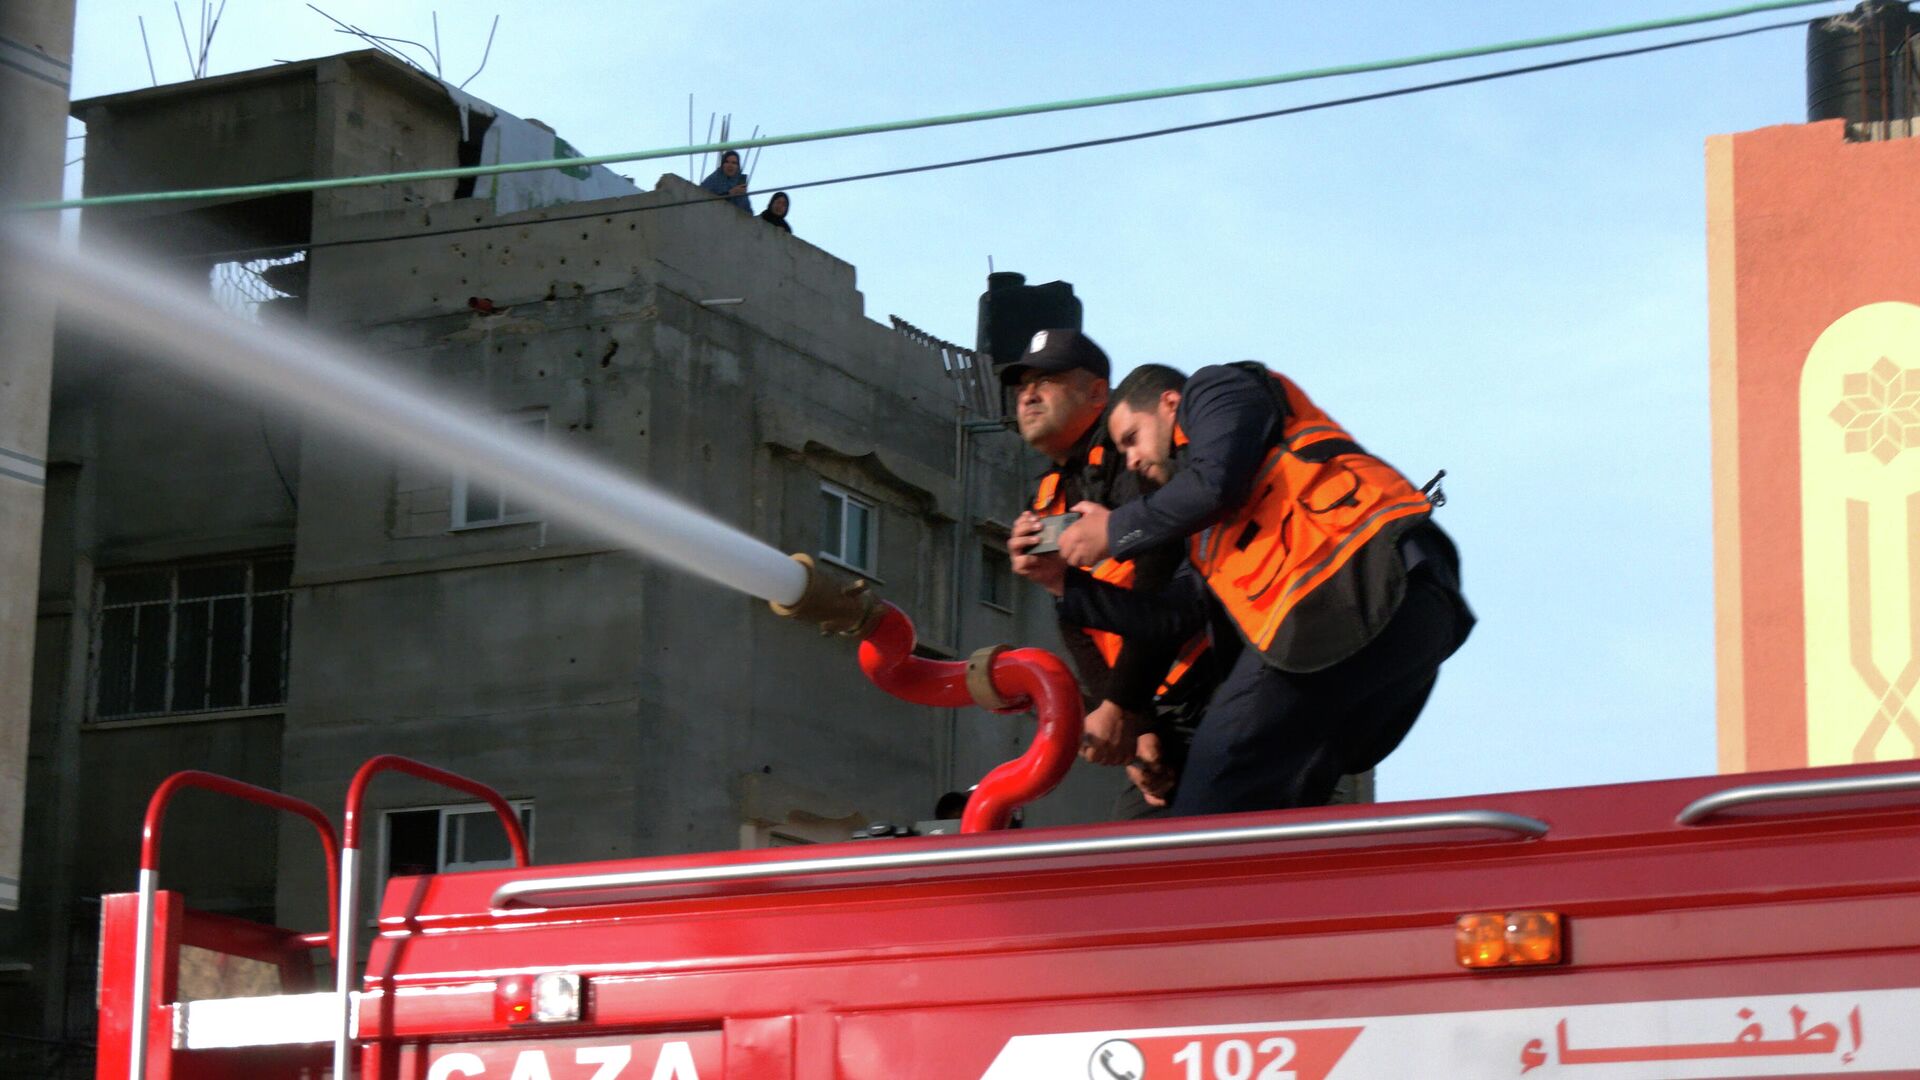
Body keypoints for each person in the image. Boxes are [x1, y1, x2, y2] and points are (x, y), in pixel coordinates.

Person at [1033, 361, 1473, 815]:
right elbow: (1171, 618)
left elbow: (1216, 482)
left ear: (1169, 405)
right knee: (1276, 810)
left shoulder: (1215, 388)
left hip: (1359, 583)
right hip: (1381, 618)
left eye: (1132, 438)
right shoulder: (1207, 536)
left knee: (1213, 792)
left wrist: (1116, 529)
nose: (1132, 460)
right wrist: (1063, 583)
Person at [999, 331, 1216, 816]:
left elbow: (1159, 583)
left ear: (1098, 392)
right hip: (1155, 706)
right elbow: (1079, 622)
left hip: (1213, 679)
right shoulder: (1049, 493)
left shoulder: (1139, 456)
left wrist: (1122, 709)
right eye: (1022, 386)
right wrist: (1135, 724)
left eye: (1047, 380)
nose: (1028, 395)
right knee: (1140, 856)